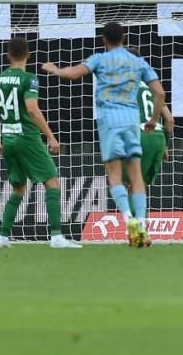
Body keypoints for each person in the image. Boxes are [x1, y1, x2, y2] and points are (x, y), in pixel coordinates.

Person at [43, 22, 164, 248]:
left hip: (109, 121)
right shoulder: (138, 62)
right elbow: (160, 92)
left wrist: (55, 70)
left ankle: (130, 223)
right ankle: (142, 226)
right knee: (137, 178)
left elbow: (74, 74)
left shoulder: (99, 58)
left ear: (103, 39)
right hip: (131, 122)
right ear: (124, 37)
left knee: (115, 178)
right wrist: (154, 120)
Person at [0, 38, 81, 249]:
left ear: (8, 55)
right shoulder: (29, 79)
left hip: (8, 140)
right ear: (28, 55)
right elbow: (31, 109)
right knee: (52, 183)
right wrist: (51, 136)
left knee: (18, 188)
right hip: (27, 138)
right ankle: (56, 237)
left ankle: (2, 238)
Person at [123, 47, 174, 247]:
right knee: (141, 186)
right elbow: (170, 120)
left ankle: (137, 234)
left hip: (137, 134)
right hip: (158, 137)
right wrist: (165, 147)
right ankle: (141, 232)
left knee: (130, 186)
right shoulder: (152, 86)